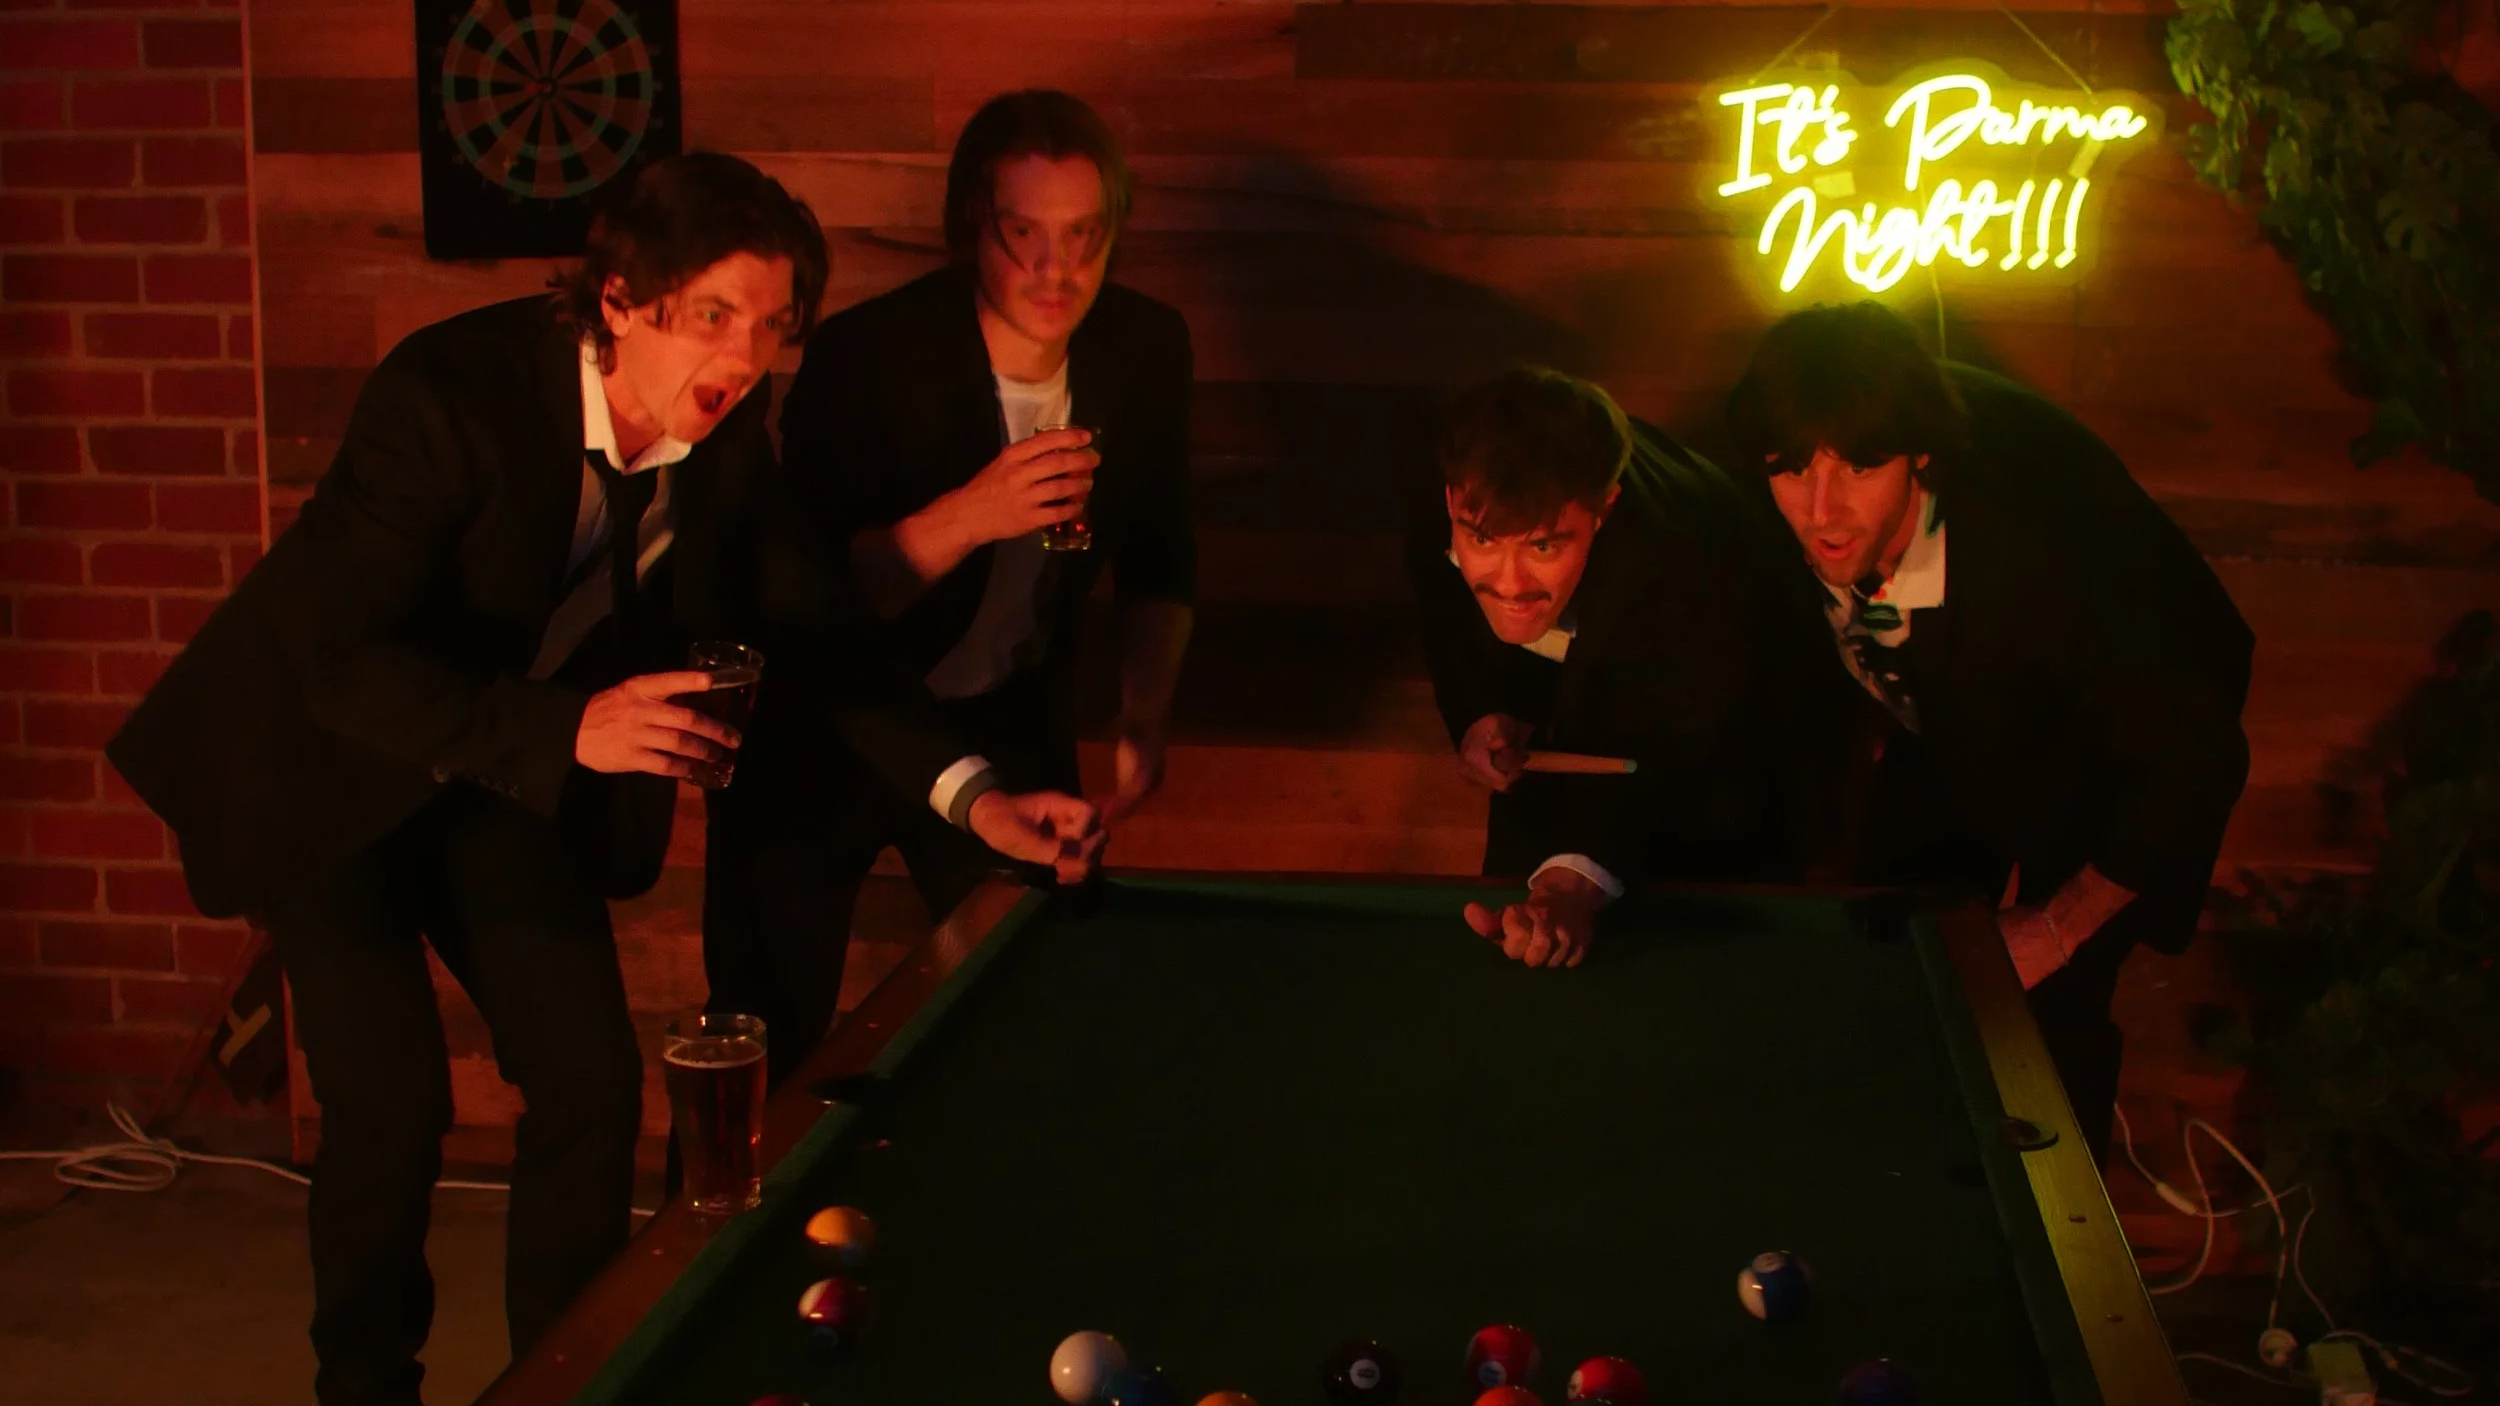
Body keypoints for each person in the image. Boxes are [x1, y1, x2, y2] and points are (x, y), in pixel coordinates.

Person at [104, 153, 1096, 1406]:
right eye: (716, 317)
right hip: (331, 775)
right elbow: (333, 662)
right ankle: (364, 1389)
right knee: (392, 1105)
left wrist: (973, 792)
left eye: (774, 326)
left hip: (504, 772)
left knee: (590, 1078)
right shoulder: (447, 397)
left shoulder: (727, 446)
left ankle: (564, 1383)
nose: (746, 356)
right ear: (622, 299)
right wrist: (570, 729)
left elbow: (820, 631)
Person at [704, 90, 1196, 1085]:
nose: (1058, 271)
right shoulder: (866, 357)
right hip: (823, 731)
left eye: (1084, 237)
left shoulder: (1143, 348)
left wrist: (1143, 714)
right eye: (1025, 236)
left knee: (1029, 1018)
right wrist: (972, 512)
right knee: (763, 1037)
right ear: (972, 228)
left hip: (1002, 722)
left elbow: (1162, 553)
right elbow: (811, 611)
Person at [1726, 301, 2254, 1162]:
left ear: (1919, 454)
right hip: (1941, 712)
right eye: (1792, 472)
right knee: (1891, 945)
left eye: (1859, 468)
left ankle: (2063, 1248)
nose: (1821, 511)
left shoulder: (2054, 555)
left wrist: (2053, 926)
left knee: (2050, 1004)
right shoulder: (1764, 478)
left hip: (2119, 746)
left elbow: (2192, 759)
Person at [1402, 367, 1841, 969]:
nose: (1509, 581)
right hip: (1582, 715)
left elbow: (1663, 740)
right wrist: (1480, 714)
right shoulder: (1446, 493)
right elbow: (1451, 620)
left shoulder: (1686, 569)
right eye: (1483, 541)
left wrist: (1565, 888)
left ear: (1604, 508)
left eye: (1544, 546)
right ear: (1454, 501)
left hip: (1734, 752)